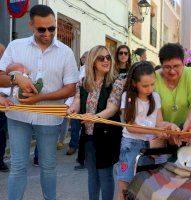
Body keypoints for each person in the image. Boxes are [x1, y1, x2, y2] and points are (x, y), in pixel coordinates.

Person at [0, 5, 79, 200]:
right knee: (18, 166)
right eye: (41, 29)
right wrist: (15, 79)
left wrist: (40, 98)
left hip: (50, 116)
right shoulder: (15, 46)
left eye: (52, 28)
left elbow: (71, 88)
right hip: (17, 115)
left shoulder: (66, 52)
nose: (47, 33)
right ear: (31, 25)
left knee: (48, 166)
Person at [116, 61, 180, 200]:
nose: (149, 89)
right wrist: (155, 131)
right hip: (131, 144)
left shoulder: (155, 97)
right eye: (145, 86)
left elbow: (159, 122)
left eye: (152, 84)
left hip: (150, 146)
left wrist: (168, 126)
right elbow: (129, 126)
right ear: (134, 83)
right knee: (124, 186)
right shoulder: (127, 97)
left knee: (144, 187)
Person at [68, 45, 122, 200]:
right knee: (92, 175)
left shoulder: (116, 82)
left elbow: (112, 108)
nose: (106, 61)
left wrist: (95, 118)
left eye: (108, 57)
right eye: (101, 58)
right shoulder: (83, 82)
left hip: (107, 136)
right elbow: (77, 102)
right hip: (89, 136)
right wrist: (71, 109)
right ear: (92, 61)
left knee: (105, 175)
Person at [0, 43, 10, 172]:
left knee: (1, 136)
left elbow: (7, 88)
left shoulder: (6, 69)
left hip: (1, 109)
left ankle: (0, 161)